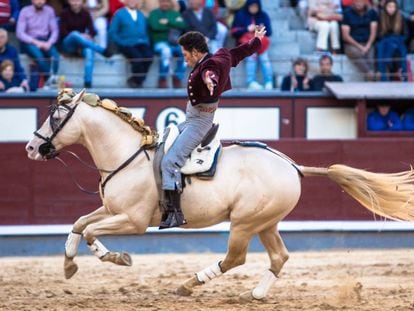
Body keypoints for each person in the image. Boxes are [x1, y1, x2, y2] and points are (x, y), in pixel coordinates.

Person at [159, 25, 267, 229]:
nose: (185, 60)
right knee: (162, 142)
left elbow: (211, 72)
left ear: (196, 52)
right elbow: (238, 54)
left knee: (170, 162)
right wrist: (256, 41)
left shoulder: (210, 65)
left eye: (185, 55)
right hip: (191, 118)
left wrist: (211, 80)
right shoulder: (223, 55)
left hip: (199, 122)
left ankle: (174, 213)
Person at [60, 0, 112, 88]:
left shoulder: (86, 13)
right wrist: (80, 35)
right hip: (69, 45)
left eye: (78, 1)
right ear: (69, 1)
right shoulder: (64, 13)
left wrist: (88, 35)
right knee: (75, 34)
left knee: (89, 51)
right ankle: (101, 50)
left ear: (82, 2)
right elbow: (63, 33)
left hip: (82, 45)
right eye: (73, 1)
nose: (75, 3)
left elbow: (92, 32)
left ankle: (88, 81)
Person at [109, 0, 153, 88]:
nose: (132, 1)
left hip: (142, 43)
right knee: (138, 58)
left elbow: (146, 30)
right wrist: (121, 42)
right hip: (127, 44)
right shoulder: (119, 14)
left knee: (149, 56)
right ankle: (137, 82)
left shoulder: (140, 14)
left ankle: (136, 80)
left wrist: (146, 41)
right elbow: (112, 32)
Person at [16, 0, 60, 89]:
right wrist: (36, 42)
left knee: (56, 56)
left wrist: (49, 42)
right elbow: (20, 33)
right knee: (39, 56)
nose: (40, 2)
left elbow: (55, 30)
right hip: (29, 41)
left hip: (45, 40)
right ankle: (51, 79)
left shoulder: (49, 10)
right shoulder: (25, 11)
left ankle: (52, 78)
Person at [231, 0, 273, 90]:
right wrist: (247, 29)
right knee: (251, 57)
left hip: (261, 43)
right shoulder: (240, 15)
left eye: (256, 7)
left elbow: (269, 32)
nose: (254, 9)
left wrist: (261, 29)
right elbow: (234, 32)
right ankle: (251, 81)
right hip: (247, 44)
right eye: (252, 6)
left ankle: (269, 81)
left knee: (264, 58)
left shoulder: (263, 15)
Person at [148, 0, 186, 88]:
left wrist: (167, 21)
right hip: (160, 42)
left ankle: (177, 77)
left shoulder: (174, 13)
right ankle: (163, 78)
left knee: (186, 52)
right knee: (166, 51)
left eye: (167, 2)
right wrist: (173, 23)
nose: (165, 4)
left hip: (174, 42)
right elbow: (155, 26)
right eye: (163, 2)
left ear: (170, 3)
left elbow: (182, 25)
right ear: (159, 3)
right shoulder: (154, 13)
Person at [341, 0, 379, 81]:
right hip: (352, 44)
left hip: (368, 43)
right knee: (357, 53)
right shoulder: (347, 13)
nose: (358, 3)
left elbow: (373, 32)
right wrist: (360, 47)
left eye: (360, 1)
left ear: (365, 2)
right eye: (356, 1)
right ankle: (370, 74)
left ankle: (370, 78)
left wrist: (367, 46)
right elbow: (345, 36)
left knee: (370, 59)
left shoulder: (372, 13)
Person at [376, 0, 408, 81]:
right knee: (383, 46)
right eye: (389, 6)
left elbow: (406, 34)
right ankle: (388, 73)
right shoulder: (380, 17)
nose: (391, 9)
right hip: (385, 41)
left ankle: (388, 71)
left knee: (393, 44)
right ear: (385, 7)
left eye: (393, 7)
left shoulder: (401, 17)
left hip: (398, 41)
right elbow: (379, 35)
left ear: (396, 8)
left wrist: (394, 39)